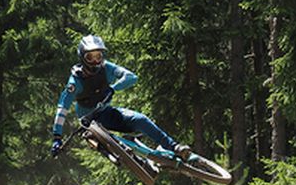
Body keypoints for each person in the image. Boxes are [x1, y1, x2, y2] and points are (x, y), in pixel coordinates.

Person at [50, 35, 191, 160]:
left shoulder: (107, 69)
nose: (95, 61)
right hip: (89, 122)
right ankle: (137, 160)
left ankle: (174, 147)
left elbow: (131, 77)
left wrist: (113, 88)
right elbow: (62, 108)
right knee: (105, 140)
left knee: (140, 119)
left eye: (98, 56)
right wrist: (57, 137)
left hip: (107, 113)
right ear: (82, 57)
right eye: (90, 57)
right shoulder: (75, 82)